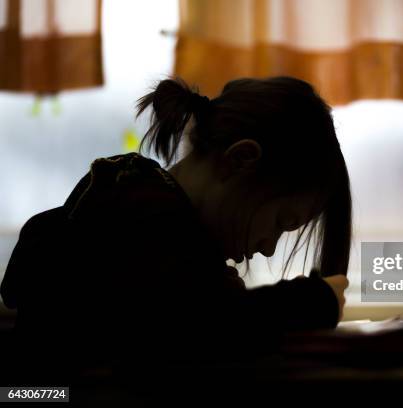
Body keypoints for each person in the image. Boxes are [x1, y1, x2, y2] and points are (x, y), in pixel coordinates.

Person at [0, 76, 352, 382]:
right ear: (241, 159)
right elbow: (196, 332)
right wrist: (312, 302)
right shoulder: (144, 221)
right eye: (280, 223)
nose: (269, 248)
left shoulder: (137, 203)